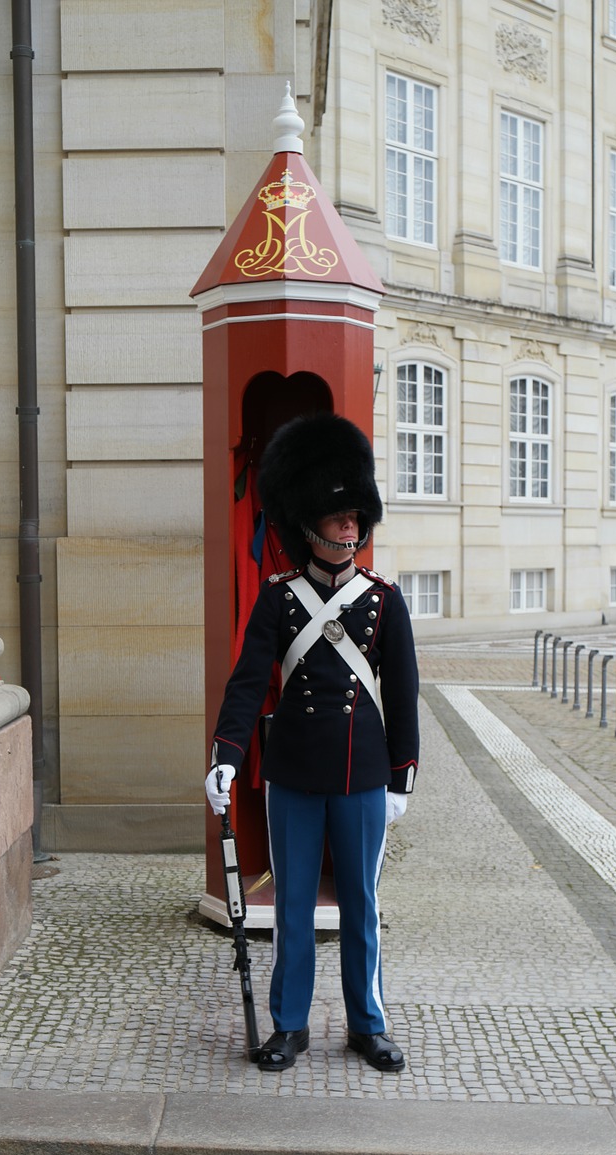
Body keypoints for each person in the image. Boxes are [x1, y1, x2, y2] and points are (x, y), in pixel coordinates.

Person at [205, 411, 420, 1073]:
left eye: (356, 514)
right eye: (337, 516)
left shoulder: (383, 600)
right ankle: (288, 1026)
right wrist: (226, 759)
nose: (349, 525)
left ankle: (368, 1024)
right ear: (308, 522)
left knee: (360, 907)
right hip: (292, 774)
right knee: (293, 906)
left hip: (361, 775)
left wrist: (400, 781)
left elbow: (403, 695)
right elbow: (247, 686)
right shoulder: (277, 599)